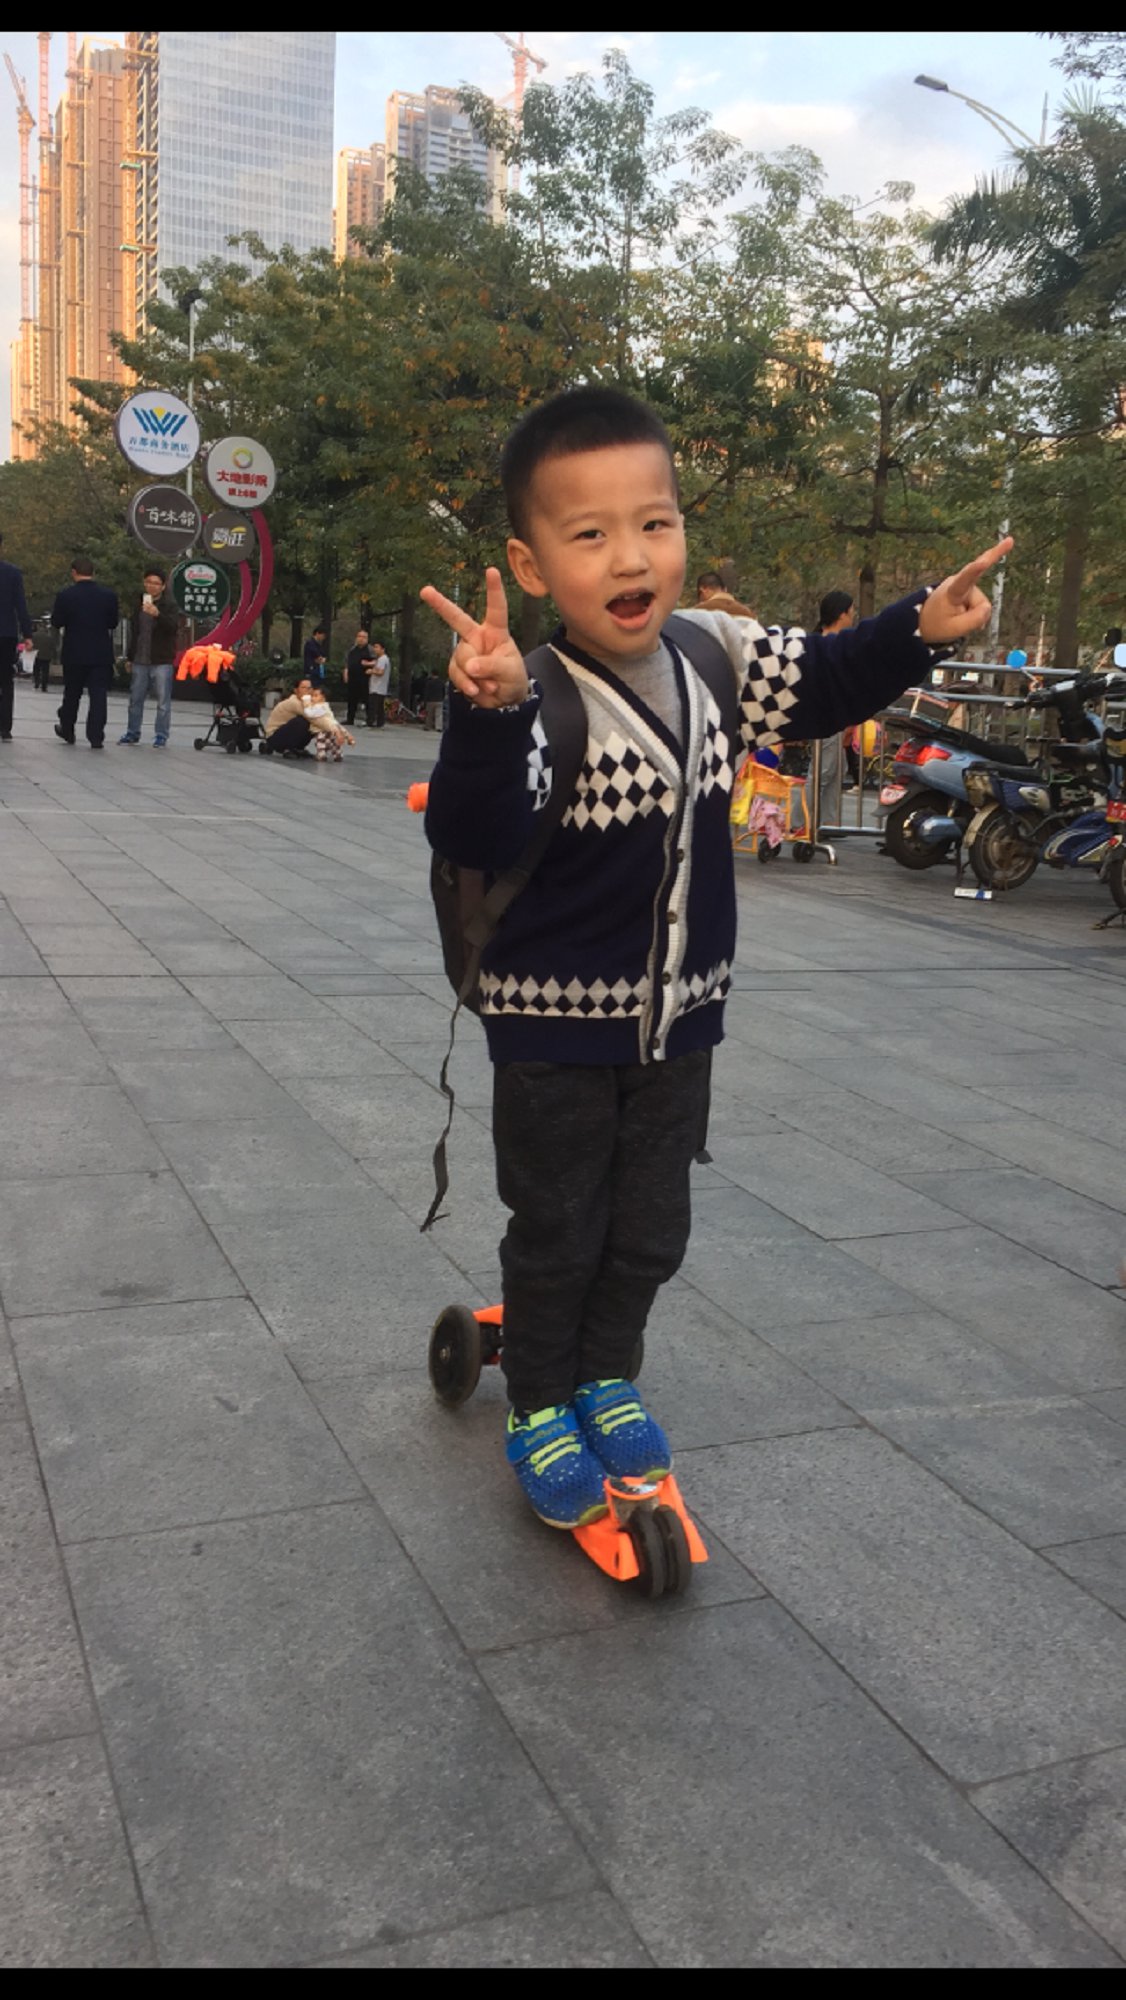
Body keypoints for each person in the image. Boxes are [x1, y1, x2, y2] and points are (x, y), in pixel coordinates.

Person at [420, 385, 1009, 1531]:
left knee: (649, 1228)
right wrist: (485, 717)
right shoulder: (535, 696)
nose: (630, 556)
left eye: (655, 522)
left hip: (681, 1018)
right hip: (552, 1031)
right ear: (530, 564)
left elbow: (824, 678)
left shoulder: (715, 652)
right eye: (589, 533)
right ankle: (538, 1400)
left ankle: (605, 1374)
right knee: (559, 1226)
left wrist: (916, 628)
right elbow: (476, 829)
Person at [51, 556, 120, 750]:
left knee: (72, 694)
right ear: (93, 572)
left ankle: (67, 728)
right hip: (100, 653)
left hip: (74, 652)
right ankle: (95, 736)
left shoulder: (65, 595)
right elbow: (113, 623)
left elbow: (57, 621)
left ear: (74, 572)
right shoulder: (108, 596)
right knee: (98, 695)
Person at [119, 566, 182, 747]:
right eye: (149, 582)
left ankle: (161, 735)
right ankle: (132, 732)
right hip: (140, 659)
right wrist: (130, 657)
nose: (152, 586)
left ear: (163, 586)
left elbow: (173, 628)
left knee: (163, 700)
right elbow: (135, 632)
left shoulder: (169, 606)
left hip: (161, 660)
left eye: (156, 583)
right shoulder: (139, 603)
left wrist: (158, 614)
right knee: (135, 699)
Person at [812, 590, 855, 809]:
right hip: (827, 713)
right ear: (841, 614)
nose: (853, 615)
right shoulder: (828, 643)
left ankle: (826, 820)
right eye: (851, 611)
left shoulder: (834, 641)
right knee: (823, 770)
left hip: (835, 712)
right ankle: (802, 820)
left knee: (837, 769)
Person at [0, 531, 34, 741]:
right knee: (6, 681)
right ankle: (5, 727)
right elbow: (21, 605)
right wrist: (27, 634)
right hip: (6, 633)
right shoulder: (12, 573)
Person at [344, 629, 376, 727]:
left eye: (364, 637)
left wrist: (368, 664)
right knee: (351, 698)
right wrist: (346, 672)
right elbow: (347, 662)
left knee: (367, 699)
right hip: (353, 677)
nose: (361, 639)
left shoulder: (370, 650)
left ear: (367, 639)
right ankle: (350, 719)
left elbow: (377, 661)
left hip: (365, 678)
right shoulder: (352, 649)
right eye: (359, 636)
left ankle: (370, 719)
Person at [366, 637, 392, 727]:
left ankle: (371, 721)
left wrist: (371, 671)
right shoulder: (381, 659)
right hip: (379, 687)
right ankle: (380, 722)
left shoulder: (382, 659)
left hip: (377, 687)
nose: (375, 649)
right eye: (374, 647)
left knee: (374, 706)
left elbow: (380, 672)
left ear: (382, 649)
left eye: (377, 647)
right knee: (379, 706)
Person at [32, 618, 57, 691]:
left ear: (39, 627)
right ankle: (44, 686)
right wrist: (54, 657)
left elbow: (29, 645)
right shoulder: (50, 637)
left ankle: (36, 683)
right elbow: (53, 648)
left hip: (36, 655)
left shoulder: (34, 635)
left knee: (36, 670)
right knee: (45, 672)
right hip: (46, 657)